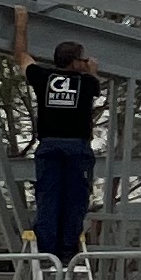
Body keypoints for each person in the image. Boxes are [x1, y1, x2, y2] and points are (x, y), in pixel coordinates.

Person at [25, 40, 100, 260]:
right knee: (75, 199)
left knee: (48, 197)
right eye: (83, 59)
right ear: (75, 62)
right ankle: (68, 251)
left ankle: (47, 251)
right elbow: (95, 85)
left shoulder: (42, 77)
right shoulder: (87, 82)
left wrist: (21, 24)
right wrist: (92, 71)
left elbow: (21, 56)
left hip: (49, 145)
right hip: (76, 147)